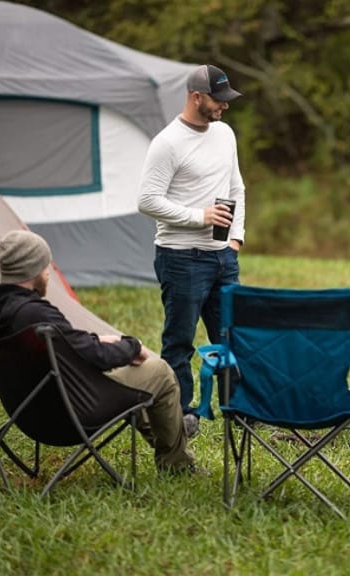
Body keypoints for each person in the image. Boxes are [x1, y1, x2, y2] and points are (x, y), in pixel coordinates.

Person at [0, 230, 197, 476]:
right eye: (46, 267)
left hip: (28, 412)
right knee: (158, 371)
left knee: (128, 376)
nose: (48, 273)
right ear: (35, 269)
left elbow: (67, 346)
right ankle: (177, 463)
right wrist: (132, 346)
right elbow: (94, 357)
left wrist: (96, 340)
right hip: (70, 414)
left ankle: (172, 430)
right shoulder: (35, 314)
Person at [137, 64, 246, 436]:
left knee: (231, 336)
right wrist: (199, 217)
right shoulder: (167, 143)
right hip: (180, 258)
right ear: (196, 97)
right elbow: (147, 201)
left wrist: (236, 238)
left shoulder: (225, 134)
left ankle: (240, 410)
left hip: (223, 257)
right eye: (219, 100)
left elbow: (236, 187)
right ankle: (179, 417)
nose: (225, 107)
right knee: (180, 342)